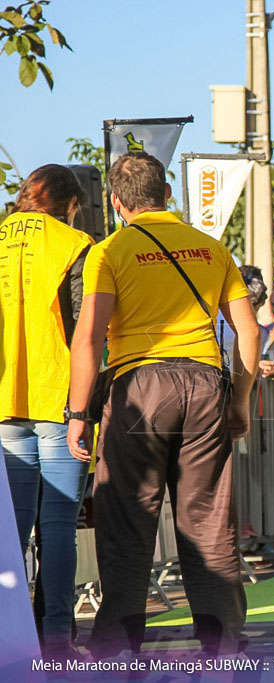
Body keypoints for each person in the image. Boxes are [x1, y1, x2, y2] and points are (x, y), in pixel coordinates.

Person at [66, 152, 260, 658]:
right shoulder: (210, 248)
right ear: (168, 194)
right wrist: (238, 399)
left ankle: (117, 649)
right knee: (207, 519)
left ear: (115, 202)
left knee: (128, 516)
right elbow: (249, 330)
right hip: (203, 385)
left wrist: (78, 414)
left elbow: (88, 338)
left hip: (138, 389)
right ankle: (223, 646)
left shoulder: (108, 251)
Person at [0, 165, 93, 655]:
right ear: (70, 202)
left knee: (11, 525)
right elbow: (83, 327)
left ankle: (11, 632)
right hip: (59, 397)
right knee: (57, 522)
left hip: (6, 398)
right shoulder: (73, 243)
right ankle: (57, 637)